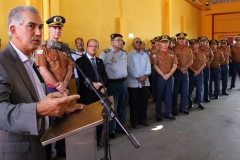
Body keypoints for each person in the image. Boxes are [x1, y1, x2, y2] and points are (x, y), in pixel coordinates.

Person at [0, 5, 83, 160]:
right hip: (19, 151)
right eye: (31, 26)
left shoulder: (29, 61)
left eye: (40, 27)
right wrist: (39, 110)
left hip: (40, 144)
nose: (38, 33)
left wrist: (60, 110)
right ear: (13, 30)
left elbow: (35, 99)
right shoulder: (2, 62)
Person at [35, 15, 74, 157]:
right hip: (51, 89)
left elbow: (70, 67)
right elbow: (43, 70)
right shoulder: (42, 48)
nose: (57, 30)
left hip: (64, 88)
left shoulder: (65, 47)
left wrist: (64, 84)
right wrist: (59, 86)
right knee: (51, 122)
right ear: (49, 29)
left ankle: (61, 149)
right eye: (54, 28)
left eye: (59, 28)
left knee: (64, 120)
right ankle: (48, 152)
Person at [76, 39, 108, 147]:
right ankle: (87, 141)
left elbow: (104, 76)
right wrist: (94, 84)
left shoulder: (100, 61)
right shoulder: (81, 61)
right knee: (87, 118)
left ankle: (98, 139)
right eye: (91, 46)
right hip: (87, 94)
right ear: (87, 48)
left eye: (95, 46)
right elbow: (83, 77)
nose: (93, 48)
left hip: (99, 93)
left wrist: (101, 85)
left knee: (100, 117)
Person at [99, 33, 128, 139]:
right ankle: (111, 130)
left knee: (122, 106)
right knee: (112, 107)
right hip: (112, 84)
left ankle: (121, 127)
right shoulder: (105, 53)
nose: (120, 42)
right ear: (112, 42)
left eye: (121, 40)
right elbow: (100, 70)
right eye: (118, 40)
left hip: (123, 83)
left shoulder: (124, 53)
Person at [152, 35, 177, 122]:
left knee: (169, 96)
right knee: (158, 97)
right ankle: (158, 115)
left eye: (166, 42)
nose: (165, 44)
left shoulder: (172, 53)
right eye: (163, 42)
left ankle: (168, 113)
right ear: (161, 43)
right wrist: (163, 75)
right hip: (160, 77)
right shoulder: (156, 53)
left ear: (169, 43)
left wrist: (169, 74)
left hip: (170, 77)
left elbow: (175, 65)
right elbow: (155, 65)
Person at [127, 37, 151, 129]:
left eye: (139, 42)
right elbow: (130, 67)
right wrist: (139, 78)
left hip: (145, 82)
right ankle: (134, 121)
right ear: (132, 44)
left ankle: (143, 120)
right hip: (133, 83)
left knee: (144, 102)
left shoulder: (145, 55)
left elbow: (148, 66)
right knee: (134, 103)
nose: (138, 43)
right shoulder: (129, 54)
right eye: (136, 42)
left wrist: (144, 77)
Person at [172, 32, 194, 116]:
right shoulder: (173, 49)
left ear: (185, 40)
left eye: (183, 39)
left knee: (185, 91)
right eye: (179, 39)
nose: (181, 41)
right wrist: (180, 68)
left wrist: (185, 68)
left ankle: (183, 108)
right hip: (176, 72)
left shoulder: (189, 49)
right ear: (177, 40)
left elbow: (191, 61)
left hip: (185, 72)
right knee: (175, 91)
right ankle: (174, 109)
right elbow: (172, 62)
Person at [188, 39, 207, 110]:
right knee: (190, 89)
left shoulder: (201, 53)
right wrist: (194, 71)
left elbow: (204, 64)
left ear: (198, 45)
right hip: (191, 73)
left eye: (195, 44)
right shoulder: (189, 53)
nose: (193, 46)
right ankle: (191, 103)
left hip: (199, 73)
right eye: (192, 44)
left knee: (200, 88)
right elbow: (188, 64)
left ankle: (200, 103)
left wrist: (198, 71)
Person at [198, 36, 214, 102]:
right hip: (199, 68)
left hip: (206, 68)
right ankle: (198, 96)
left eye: (204, 41)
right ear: (199, 42)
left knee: (206, 82)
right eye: (202, 41)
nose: (203, 43)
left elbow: (212, 57)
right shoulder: (197, 49)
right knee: (199, 84)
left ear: (206, 42)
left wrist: (209, 63)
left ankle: (206, 96)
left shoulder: (209, 50)